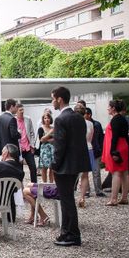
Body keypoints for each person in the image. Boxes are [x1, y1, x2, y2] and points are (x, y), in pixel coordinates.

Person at [50, 86, 91, 247]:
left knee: (67, 201)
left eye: (53, 98)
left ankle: (73, 234)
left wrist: (54, 165)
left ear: (59, 99)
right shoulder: (79, 118)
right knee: (67, 199)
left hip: (64, 166)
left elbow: (60, 146)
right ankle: (65, 232)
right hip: (76, 165)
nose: (52, 101)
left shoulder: (61, 119)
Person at [102, 99, 129, 206]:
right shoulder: (123, 119)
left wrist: (113, 151)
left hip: (117, 146)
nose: (108, 108)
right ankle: (124, 198)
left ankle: (113, 199)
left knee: (116, 173)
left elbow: (115, 137)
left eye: (109, 106)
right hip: (123, 145)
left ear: (113, 108)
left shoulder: (116, 119)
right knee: (125, 172)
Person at [74, 104, 94, 208]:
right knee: (85, 175)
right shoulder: (90, 123)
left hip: (77, 149)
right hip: (88, 148)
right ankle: (82, 197)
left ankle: (72, 195)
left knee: (73, 174)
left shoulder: (73, 123)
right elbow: (91, 137)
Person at [85, 108, 106, 197]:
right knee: (84, 172)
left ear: (89, 115)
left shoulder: (97, 124)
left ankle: (98, 190)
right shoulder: (81, 124)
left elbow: (101, 138)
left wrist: (101, 149)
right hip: (86, 150)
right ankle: (86, 191)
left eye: (85, 114)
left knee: (96, 171)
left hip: (95, 150)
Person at [15, 104, 37, 183]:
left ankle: (34, 186)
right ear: (16, 111)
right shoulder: (13, 120)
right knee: (20, 171)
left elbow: (32, 133)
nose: (22, 111)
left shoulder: (28, 119)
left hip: (28, 148)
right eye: (20, 110)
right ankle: (20, 188)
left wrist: (32, 145)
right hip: (19, 150)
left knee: (33, 168)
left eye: (23, 110)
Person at [37, 112, 55, 183]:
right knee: (44, 167)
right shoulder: (41, 128)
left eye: (48, 118)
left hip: (53, 149)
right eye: (45, 118)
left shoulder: (53, 128)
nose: (47, 119)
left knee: (52, 168)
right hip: (45, 150)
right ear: (43, 119)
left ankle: (51, 183)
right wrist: (50, 133)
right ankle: (44, 183)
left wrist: (47, 140)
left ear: (50, 119)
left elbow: (57, 138)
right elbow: (41, 140)